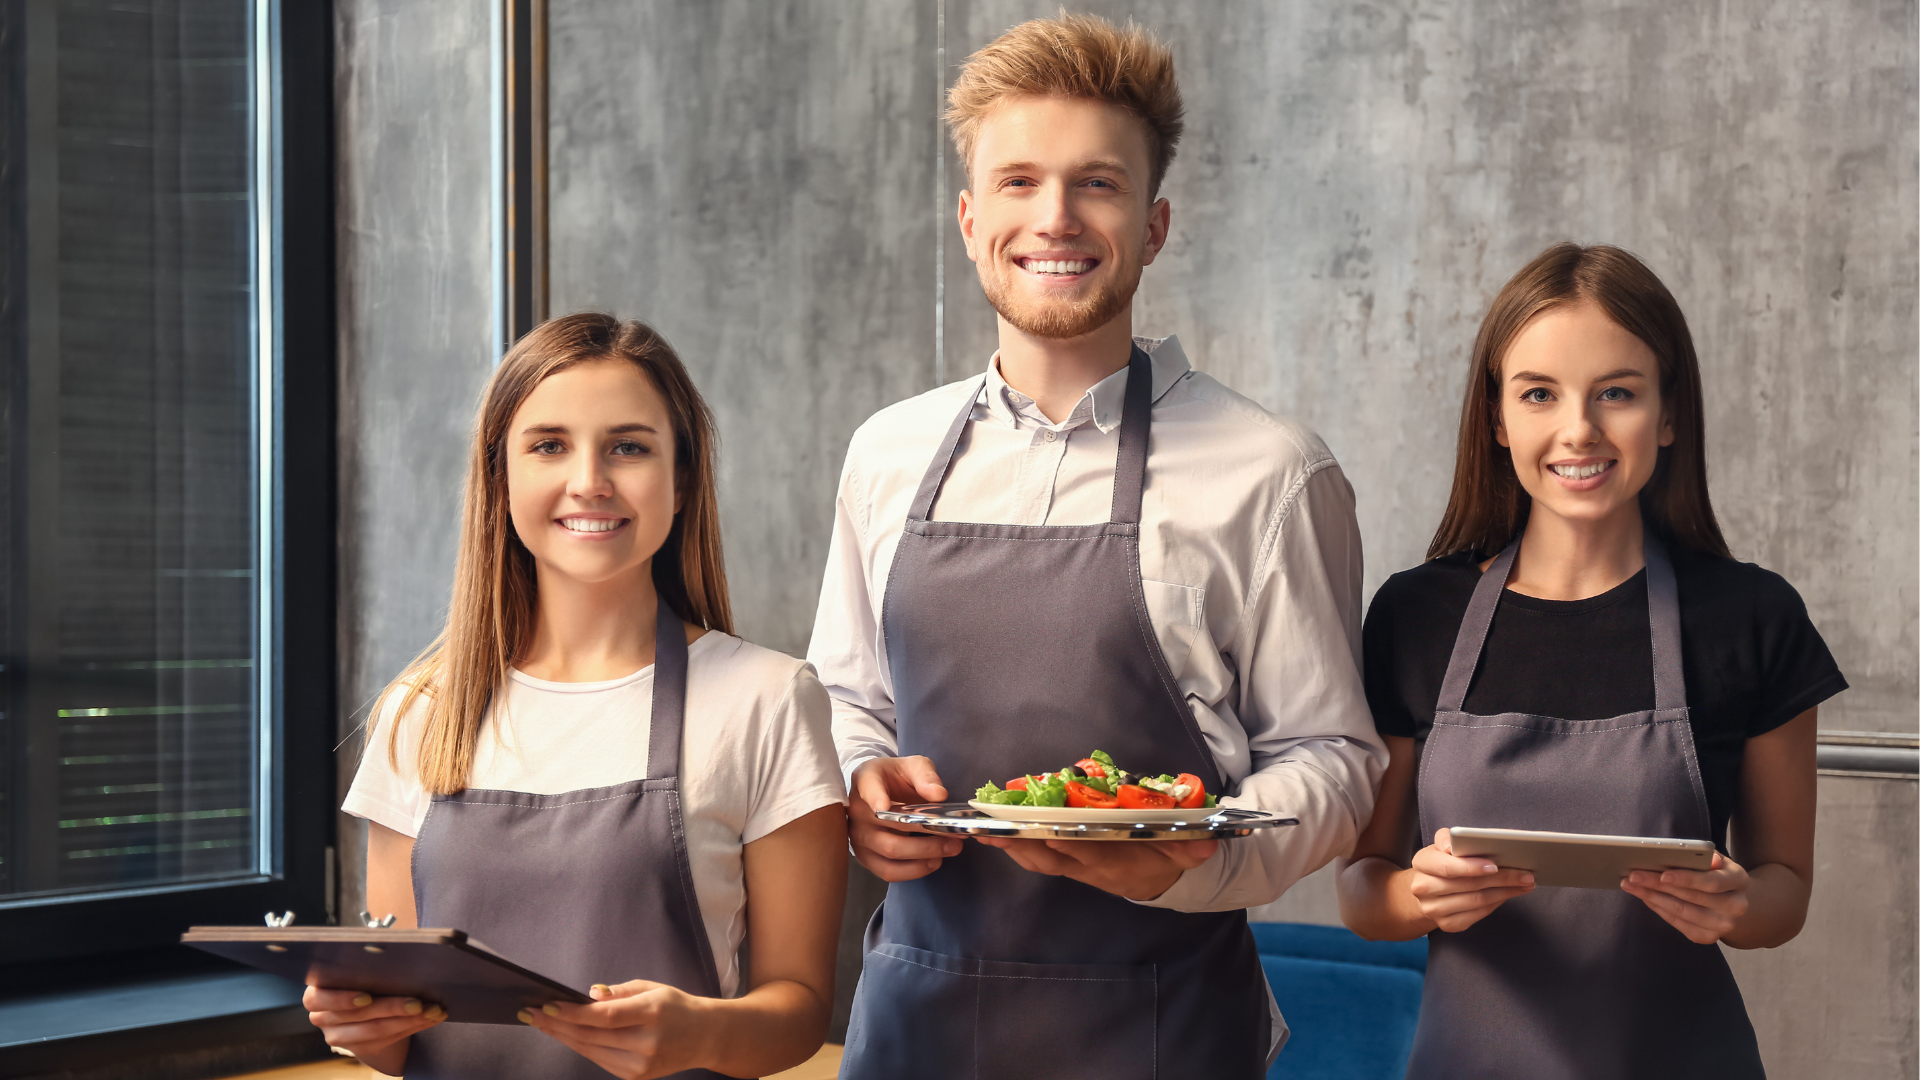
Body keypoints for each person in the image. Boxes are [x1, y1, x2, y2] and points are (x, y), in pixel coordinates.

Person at [809, 15, 1387, 1077]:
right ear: (970, 216)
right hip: (914, 1018)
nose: (1057, 218)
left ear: (1155, 223)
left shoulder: (1273, 473)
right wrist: (861, 789)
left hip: (1163, 1026)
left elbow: (1335, 761)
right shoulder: (887, 453)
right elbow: (848, 700)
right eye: (1020, 182)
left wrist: (1189, 866)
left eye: (1098, 185)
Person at [1337, 243, 1846, 1078]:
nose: (1579, 429)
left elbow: (1785, 888)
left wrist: (1739, 902)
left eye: (1618, 392)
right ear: (1498, 420)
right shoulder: (1414, 616)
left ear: (1669, 413)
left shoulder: (1753, 618)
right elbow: (1363, 884)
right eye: (1540, 394)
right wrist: (1412, 897)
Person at [309, 314, 848, 1079]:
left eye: (629, 446)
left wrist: (700, 1035)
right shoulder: (420, 710)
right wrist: (361, 1028)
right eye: (548, 446)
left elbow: (799, 1008)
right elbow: (400, 1035)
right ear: (500, 477)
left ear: (682, 478)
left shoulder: (767, 698)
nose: (589, 480)